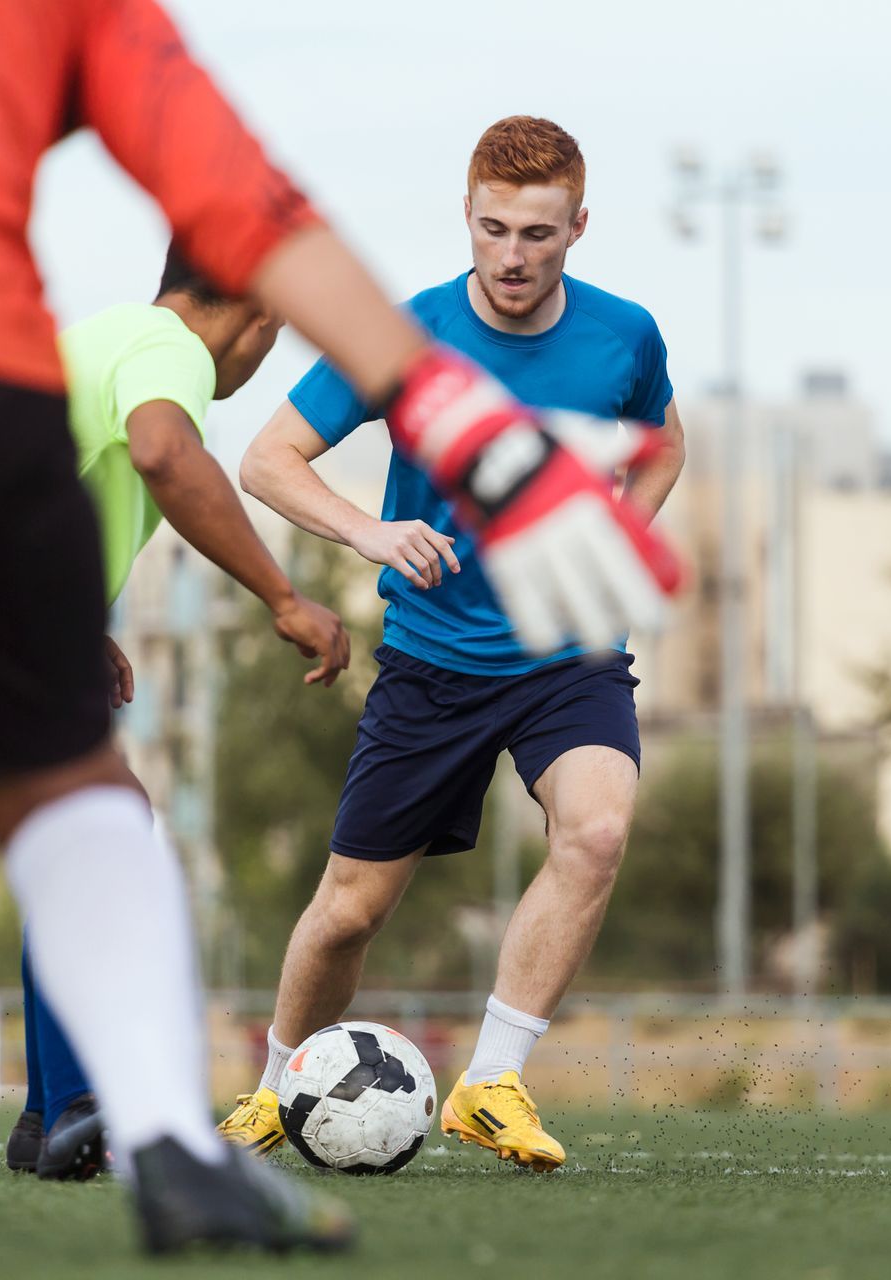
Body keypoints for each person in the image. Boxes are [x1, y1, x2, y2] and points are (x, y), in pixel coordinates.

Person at [0, 3, 675, 1255]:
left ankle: (84, 1114)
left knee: (102, 801)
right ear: (248, 323)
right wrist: (329, 543)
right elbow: (228, 282)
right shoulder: (79, 56)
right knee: (89, 811)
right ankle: (150, 1131)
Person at [219, 116, 686, 1172]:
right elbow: (268, 458)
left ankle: (494, 1081)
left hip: (566, 658)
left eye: (537, 233)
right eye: (493, 229)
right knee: (348, 912)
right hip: (432, 666)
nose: (513, 256)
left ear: (577, 227)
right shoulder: (405, 338)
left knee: (599, 831)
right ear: (465, 219)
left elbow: (663, 447)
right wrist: (372, 530)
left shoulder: (626, 335)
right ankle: (271, 1086)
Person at [0, 239, 350, 1183]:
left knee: (85, 834)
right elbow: (163, 451)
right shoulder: (172, 354)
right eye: (270, 335)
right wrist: (283, 596)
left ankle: (52, 1116)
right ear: (255, 316)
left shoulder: (99, 340)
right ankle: (80, 1107)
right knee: (100, 829)